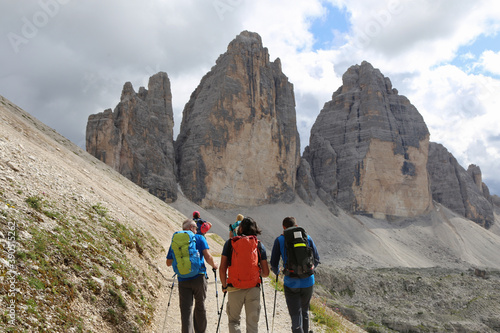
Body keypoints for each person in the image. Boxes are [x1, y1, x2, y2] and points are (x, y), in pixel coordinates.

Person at [166, 219, 218, 333]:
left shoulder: (176, 241)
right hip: (199, 277)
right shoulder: (199, 238)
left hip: (183, 279)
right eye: (195, 228)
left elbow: (168, 262)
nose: (196, 230)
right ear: (191, 228)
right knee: (200, 306)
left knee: (186, 310)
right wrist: (214, 265)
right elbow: (207, 256)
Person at [219, 217, 270, 333]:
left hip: (234, 287)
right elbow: (266, 273)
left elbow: (222, 268)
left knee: (233, 321)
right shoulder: (259, 245)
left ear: (240, 228)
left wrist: (224, 286)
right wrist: (256, 273)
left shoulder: (230, 243)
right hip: (253, 288)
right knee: (252, 324)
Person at [270, 217, 320, 333]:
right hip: (308, 281)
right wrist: (307, 271)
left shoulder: (280, 240)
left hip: (291, 282)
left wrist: (278, 272)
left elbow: (273, 264)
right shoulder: (306, 237)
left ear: (283, 227)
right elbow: (317, 259)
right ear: (296, 226)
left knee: (295, 314)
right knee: (304, 311)